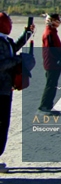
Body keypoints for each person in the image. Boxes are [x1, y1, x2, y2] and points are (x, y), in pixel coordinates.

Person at [0, 12, 34, 173]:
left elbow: (14, 49)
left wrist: (27, 33)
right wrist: (19, 60)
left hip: (5, 89)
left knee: (3, 125)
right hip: (0, 90)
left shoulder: (5, 41)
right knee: (1, 125)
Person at [39, 14, 61, 114]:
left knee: (53, 85)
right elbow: (51, 50)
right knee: (50, 85)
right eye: (56, 20)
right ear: (50, 21)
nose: (58, 22)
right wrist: (60, 57)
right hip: (52, 63)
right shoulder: (49, 33)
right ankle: (44, 106)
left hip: (53, 63)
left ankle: (48, 106)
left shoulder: (52, 32)